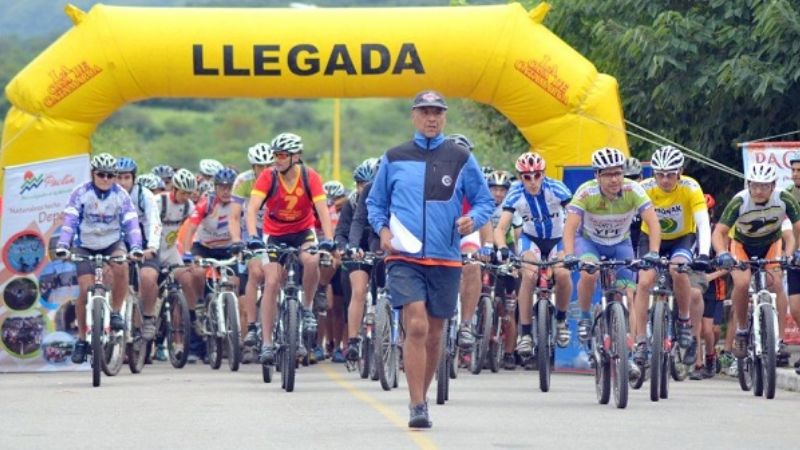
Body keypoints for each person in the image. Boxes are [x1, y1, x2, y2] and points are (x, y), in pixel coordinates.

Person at [366, 90, 494, 428]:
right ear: (414, 116)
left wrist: (474, 220)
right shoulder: (394, 157)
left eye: (437, 112)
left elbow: (483, 201)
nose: (431, 118)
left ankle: (421, 397)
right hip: (404, 256)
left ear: (445, 116)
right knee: (417, 324)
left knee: (436, 332)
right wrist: (383, 232)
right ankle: (416, 403)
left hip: (446, 257)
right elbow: (375, 203)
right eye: (425, 111)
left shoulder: (461, 157)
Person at [562, 147, 661, 380]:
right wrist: (568, 254)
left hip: (621, 243)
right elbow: (570, 227)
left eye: (618, 173)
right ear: (597, 175)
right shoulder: (585, 193)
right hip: (590, 244)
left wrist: (654, 252)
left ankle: (630, 351)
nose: (615, 179)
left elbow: (653, 223)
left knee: (627, 293)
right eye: (608, 174)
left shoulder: (633, 190)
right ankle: (586, 317)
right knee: (589, 273)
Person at [244, 132, 335, 365]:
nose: (277, 159)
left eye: (282, 155)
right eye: (275, 155)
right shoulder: (268, 176)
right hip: (274, 233)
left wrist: (329, 239)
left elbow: (323, 210)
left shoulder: (310, 177)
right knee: (272, 280)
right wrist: (253, 237)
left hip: (303, 231)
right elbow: (252, 209)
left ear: (296, 156)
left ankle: (306, 308)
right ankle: (266, 343)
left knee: (312, 260)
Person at [55, 153, 144, 364]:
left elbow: (131, 223)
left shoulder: (121, 195)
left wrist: (137, 247)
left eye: (110, 175)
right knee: (85, 290)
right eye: (101, 174)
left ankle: (115, 313)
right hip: (85, 245)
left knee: (121, 266)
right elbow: (70, 221)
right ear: (93, 174)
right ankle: (81, 339)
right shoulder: (80, 193)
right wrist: (63, 244)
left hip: (112, 242)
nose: (106, 179)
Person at [632, 146, 710, 368]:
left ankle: (684, 320)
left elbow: (703, 222)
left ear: (680, 172)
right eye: (659, 174)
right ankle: (640, 340)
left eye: (670, 174)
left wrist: (704, 253)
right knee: (645, 282)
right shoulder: (644, 188)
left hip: (681, 238)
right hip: (652, 239)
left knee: (679, 269)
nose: (664, 180)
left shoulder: (690, 187)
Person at [712, 163, 800, 359]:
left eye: (765, 186)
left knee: (775, 283)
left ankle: (779, 339)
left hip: (770, 244)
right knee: (742, 284)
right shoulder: (739, 201)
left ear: (773, 185)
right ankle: (742, 330)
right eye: (754, 186)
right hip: (742, 245)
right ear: (748, 184)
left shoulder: (784, 199)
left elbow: (796, 229)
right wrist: (721, 253)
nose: (759, 191)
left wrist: (792, 252)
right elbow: (720, 232)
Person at [494, 152, 573, 362]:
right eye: (526, 177)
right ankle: (526, 333)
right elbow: (501, 227)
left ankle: (562, 320)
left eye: (537, 175)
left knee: (563, 274)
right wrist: (502, 247)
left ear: (543, 174)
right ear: (520, 177)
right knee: (528, 274)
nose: (532, 181)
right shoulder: (515, 193)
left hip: (558, 239)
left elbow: (575, 218)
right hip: (532, 240)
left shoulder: (556, 189)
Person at [181, 167, 244, 362]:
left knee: (234, 282)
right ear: (215, 188)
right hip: (204, 246)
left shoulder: (238, 204)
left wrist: (238, 246)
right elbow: (190, 230)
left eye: (229, 187)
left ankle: (230, 322)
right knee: (198, 272)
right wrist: (187, 254)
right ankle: (201, 303)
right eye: (222, 187)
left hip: (227, 247)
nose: (226, 191)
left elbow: (237, 228)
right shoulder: (205, 203)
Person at [230, 143, 274, 362]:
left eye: (268, 165)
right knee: (255, 273)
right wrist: (238, 240)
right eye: (260, 166)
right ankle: (252, 327)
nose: (264, 170)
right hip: (252, 236)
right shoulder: (244, 181)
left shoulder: (279, 178)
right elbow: (235, 216)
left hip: (274, 233)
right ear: (253, 167)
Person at [337, 158, 380, 362]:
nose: (363, 188)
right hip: (359, 250)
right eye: (360, 184)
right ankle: (353, 341)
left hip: (380, 243)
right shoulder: (354, 201)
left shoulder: (395, 192)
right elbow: (356, 223)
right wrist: (351, 247)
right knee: (359, 290)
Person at [116, 157, 163, 342]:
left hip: (144, 244)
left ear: (133, 179)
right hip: (119, 244)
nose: (122, 182)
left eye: (126, 177)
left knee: (148, 277)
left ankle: (149, 317)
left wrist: (151, 247)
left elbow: (154, 222)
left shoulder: (145, 195)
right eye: (118, 177)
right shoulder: (109, 195)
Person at [486, 170, 522, 369]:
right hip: (485, 251)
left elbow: (517, 237)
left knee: (509, 308)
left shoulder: (511, 209)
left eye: (502, 190)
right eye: (494, 189)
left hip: (506, 252)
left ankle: (509, 352)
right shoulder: (482, 205)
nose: (498, 194)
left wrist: (516, 261)